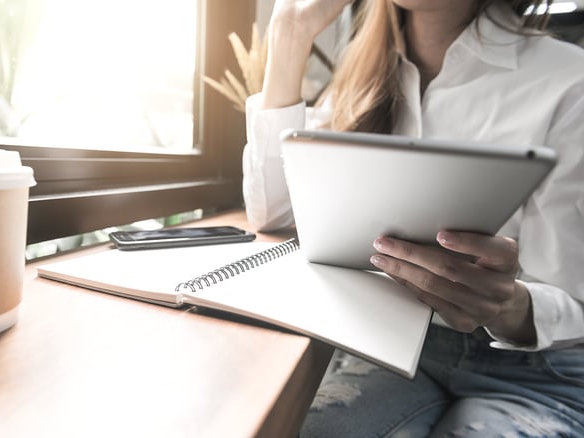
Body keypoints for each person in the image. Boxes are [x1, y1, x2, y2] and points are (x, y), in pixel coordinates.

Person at [242, 0, 584, 436]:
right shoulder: (363, 74)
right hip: (396, 350)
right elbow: (273, 214)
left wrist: (509, 305)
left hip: (540, 374)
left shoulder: (569, 80)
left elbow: (575, 300)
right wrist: (289, 33)